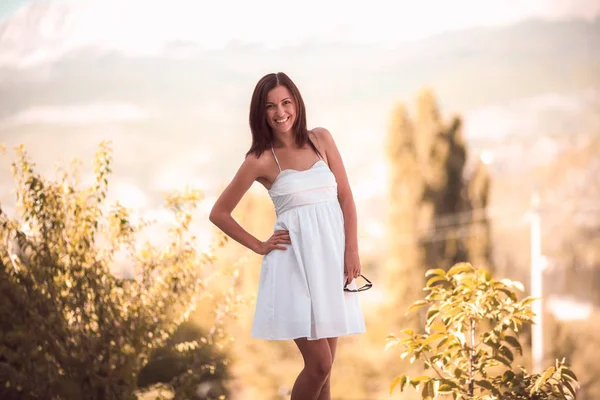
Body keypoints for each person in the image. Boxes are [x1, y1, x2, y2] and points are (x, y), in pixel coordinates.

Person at [209, 72, 366, 400]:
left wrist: (351, 250)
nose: (280, 112)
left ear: (296, 103)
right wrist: (260, 246)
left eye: (286, 102)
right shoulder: (260, 159)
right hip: (294, 267)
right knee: (319, 365)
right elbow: (220, 213)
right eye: (270, 106)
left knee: (327, 372)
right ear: (260, 113)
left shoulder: (321, 139)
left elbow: (346, 198)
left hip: (331, 261)